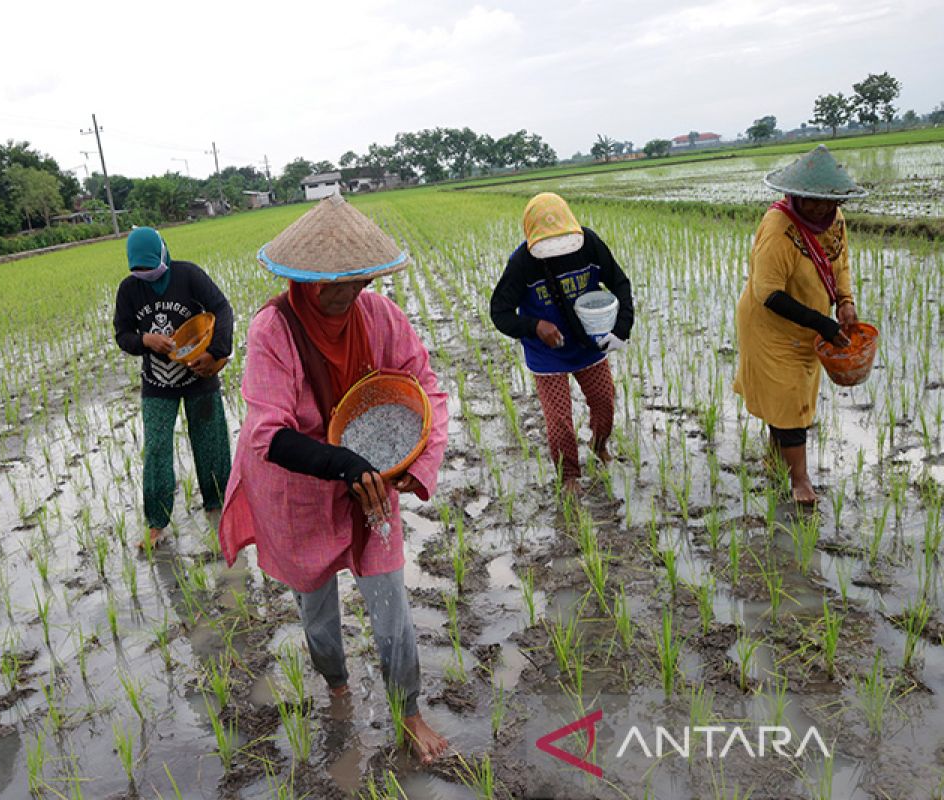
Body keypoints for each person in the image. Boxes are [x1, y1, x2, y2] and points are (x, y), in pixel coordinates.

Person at [218, 195, 451, 764]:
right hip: (296, 485)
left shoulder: (380, 318)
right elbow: (268, 435)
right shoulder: (272, 330)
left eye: (359, 282)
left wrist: (405, 469)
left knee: (388, 594)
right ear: (305, 282)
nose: (348, 295)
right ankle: (337, 683)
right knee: (316, 604)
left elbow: (427, 389)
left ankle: (410, 710)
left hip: (373, 484)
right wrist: (344, 463)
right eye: (334, 286)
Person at [733, 145, 865, 505]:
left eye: (827, 200)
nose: (820, 207)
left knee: (793, 396)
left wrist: (845, 301)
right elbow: (768, 293)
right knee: (788, 400)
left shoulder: (835, 221)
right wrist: (822, 323)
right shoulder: (779, 228)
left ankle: (776, 461)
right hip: (769, 327)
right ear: (796, 195)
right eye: (812, 200)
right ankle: (801, 482)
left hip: (809, 325)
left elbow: (840, 264)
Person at [490, 192, 634, 494]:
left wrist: (621, 328)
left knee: (605, 403)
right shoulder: (522, 263)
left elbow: (619, 283)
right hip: (547, 353)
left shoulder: (589, 244)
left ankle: (599, 445)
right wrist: (534, 326)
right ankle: (569, 474)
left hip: (588, 344)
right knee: (559, 421)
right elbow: (500, 313)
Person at [113, 226, 234, 546]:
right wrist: (144, 340)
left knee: (211, 442)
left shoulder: (188, 275)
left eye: (151, 268)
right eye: (140, 271)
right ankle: (156, 523)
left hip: (199, 375)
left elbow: (221, 309)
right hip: (157, 382)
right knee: (156, 450)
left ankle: (219, 507)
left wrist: (216, 353)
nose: (147, 275)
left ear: (163, 255)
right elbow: (122, 334)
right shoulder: (129, 290)